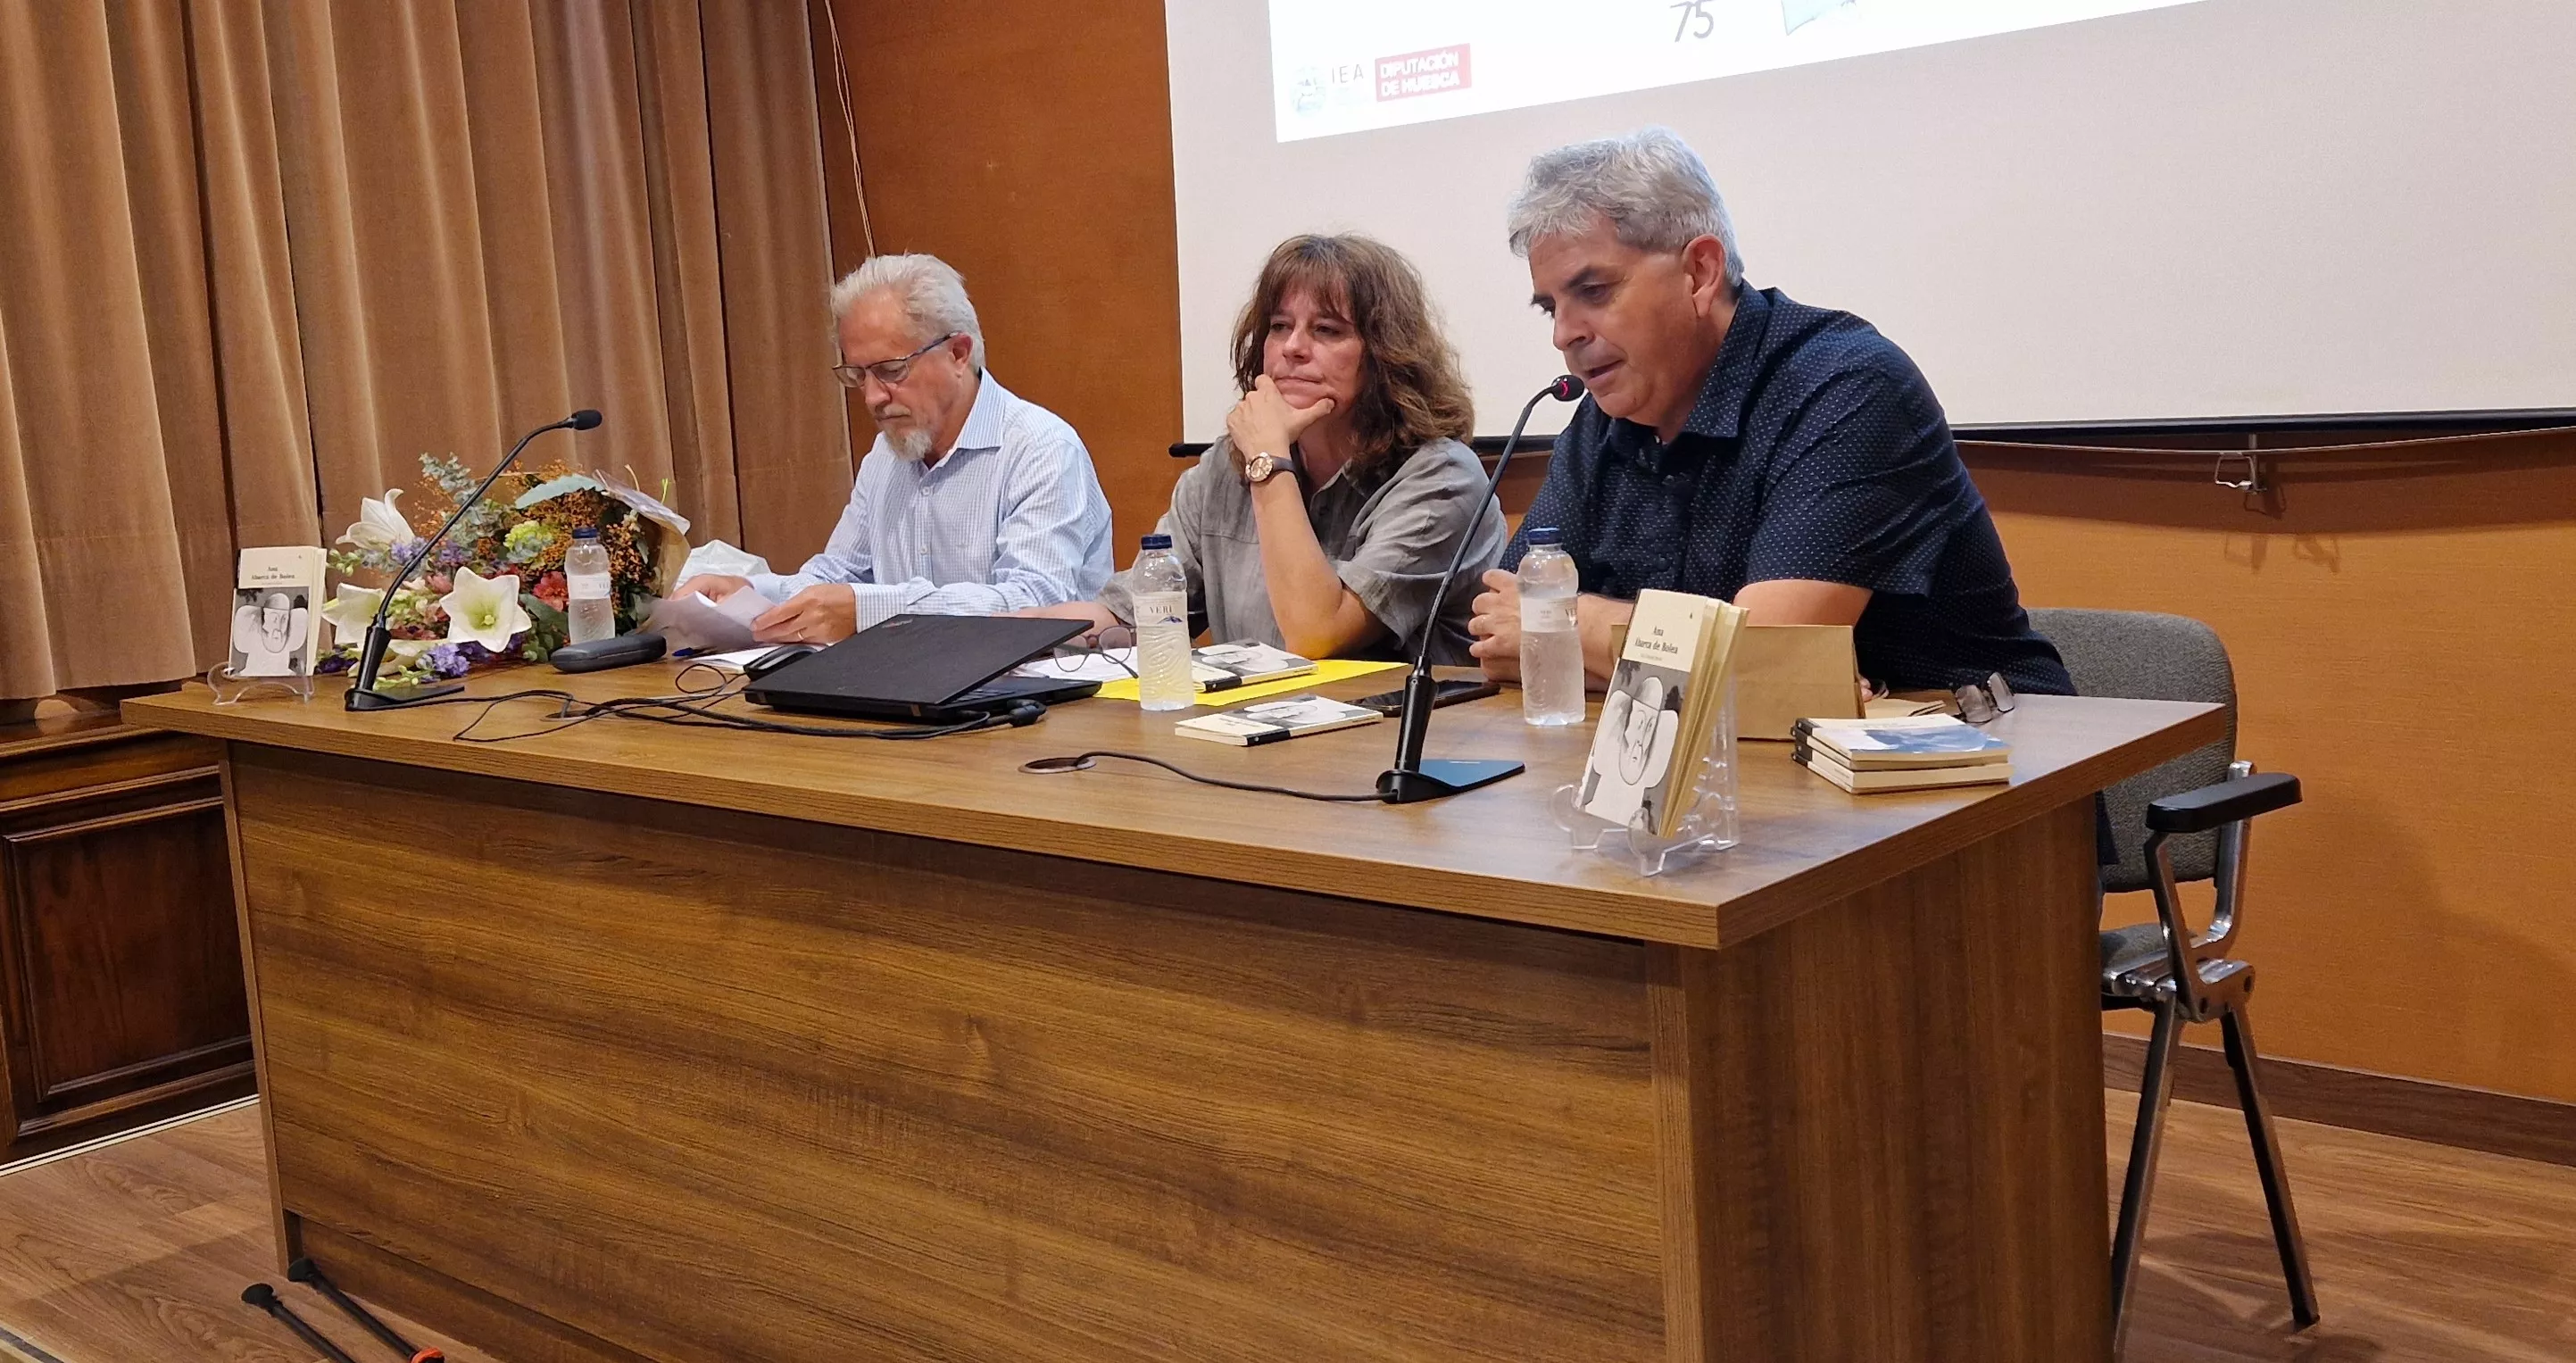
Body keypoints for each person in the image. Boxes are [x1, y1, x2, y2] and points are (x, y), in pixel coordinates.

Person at [1466, 129, 2073, 700]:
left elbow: (1766, 657)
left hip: (1985, 767)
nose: (1565, 335)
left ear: (1699, 271)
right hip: (1755, 772)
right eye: (1551, 308)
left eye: (1593, 292)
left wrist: (1577, 626)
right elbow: (1502, 633)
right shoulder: (1607, 418)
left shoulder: (1847, 387)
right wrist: (1718, 666)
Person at [1026, 234, 1502, 663]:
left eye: (1327, 330)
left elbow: (1317, 635)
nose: (1292, 348)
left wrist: (1269, 463)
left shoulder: (1442, 479)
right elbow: (1133, 615)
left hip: (1400, 747)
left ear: (1386, 354)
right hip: (1254, 739)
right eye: (1278, 326)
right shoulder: (1222, 470)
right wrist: (998, 637)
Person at [673, 253, 1112, 645]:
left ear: (959, 353)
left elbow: (1032, 603)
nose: (872, 398)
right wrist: (753, 594)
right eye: (858, 375)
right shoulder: (886, 456)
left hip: (1029, 705)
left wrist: (868, 611)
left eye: (890, 370)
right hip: (902, 688)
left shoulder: (1041, 448)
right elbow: (838, 576)